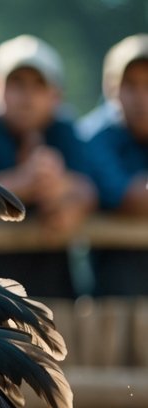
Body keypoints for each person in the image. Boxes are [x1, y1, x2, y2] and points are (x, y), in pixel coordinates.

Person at [0, 34, 99, 299]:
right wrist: (24, 183)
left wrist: (67, 197)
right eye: (17, 84)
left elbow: (90, 188)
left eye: (38, 86)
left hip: (53, 285)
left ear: (56, 95)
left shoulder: (64, 129)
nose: (27, 97)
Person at [84, 34, 148, 296]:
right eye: (130, 84)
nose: (141, 97)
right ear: (110, 87)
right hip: (114, 297)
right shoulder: (94, 137)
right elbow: (130, 198)